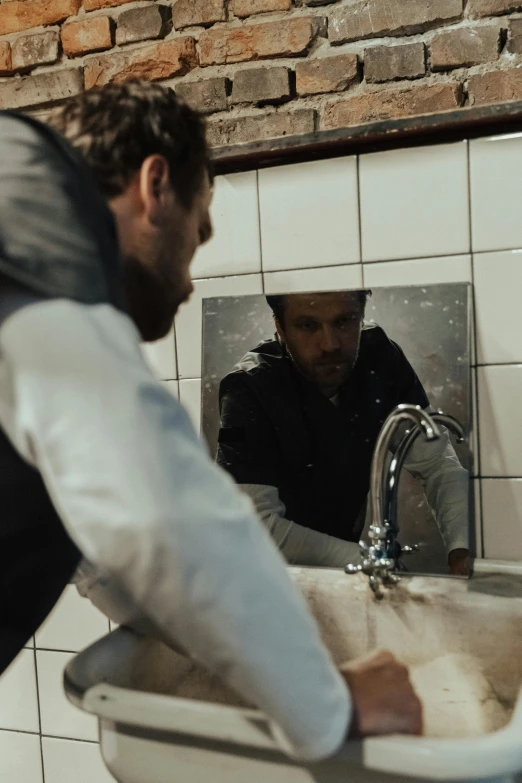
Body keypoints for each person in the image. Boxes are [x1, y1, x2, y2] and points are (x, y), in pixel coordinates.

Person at [0, 81, 421, 761]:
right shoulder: (33, 233)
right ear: (154, 184)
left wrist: (253, 663)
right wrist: (330, 703)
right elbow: (165, 512)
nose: (190, 280)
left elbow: (107, 553)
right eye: (196, 235)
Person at [217, 290, 470, 575]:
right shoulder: (250, 388)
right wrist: (368, 558)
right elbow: (257, 525)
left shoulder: (379, 357)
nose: (329, 344)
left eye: (344, 321)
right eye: (308, 325)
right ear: (280, 327)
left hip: (346, 570)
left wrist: (462, 551)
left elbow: (437, 464)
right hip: (269, 580)